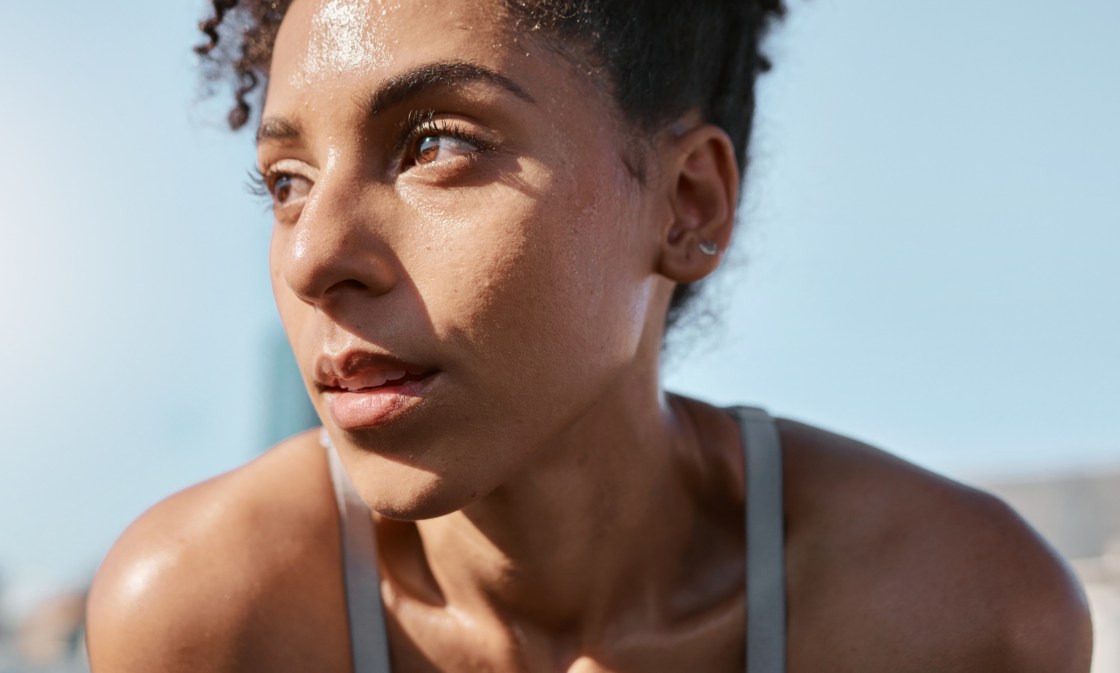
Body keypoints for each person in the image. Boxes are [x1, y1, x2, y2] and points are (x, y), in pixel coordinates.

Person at [85, 0, 1094, 670]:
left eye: (438, 144)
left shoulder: (953, 617)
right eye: (287, 183)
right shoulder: (207, 618)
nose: (314, 257)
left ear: (687, 201)